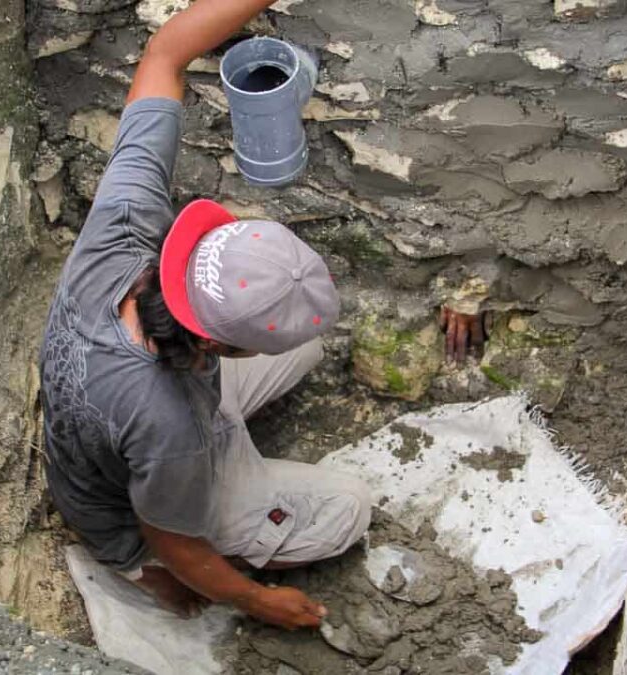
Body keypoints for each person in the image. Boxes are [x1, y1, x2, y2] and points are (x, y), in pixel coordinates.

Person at [39, 0, 373, 632]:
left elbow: (164, 54)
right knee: (348, 509)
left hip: (111, 410)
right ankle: (132, 566)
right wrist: (254, 598)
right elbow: (177, 545)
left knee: (304, 344)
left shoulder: (124, 225)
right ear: (218, 348)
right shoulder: (171, 430)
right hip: (126, 505)